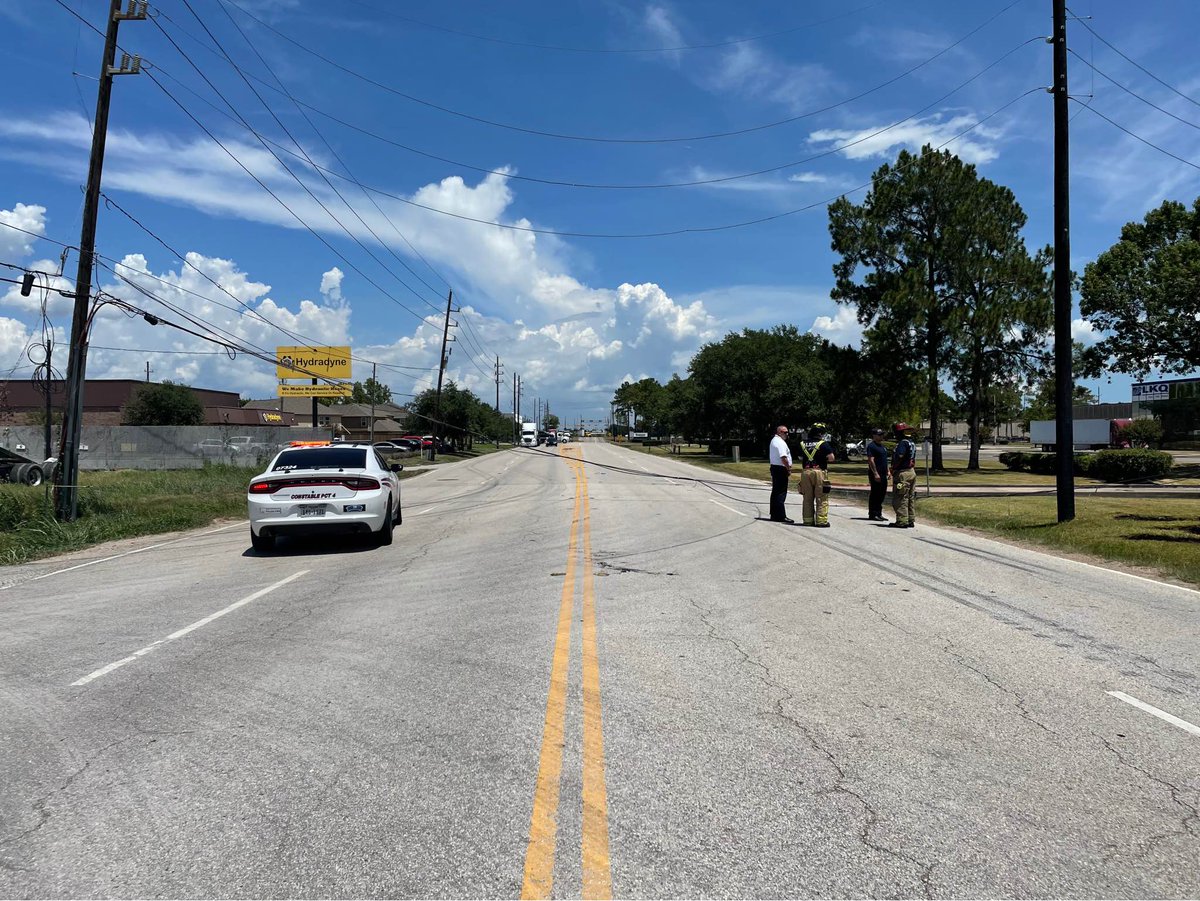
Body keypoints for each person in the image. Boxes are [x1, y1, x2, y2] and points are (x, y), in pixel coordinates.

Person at [797, 424, 835, 527]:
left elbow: (800, 457)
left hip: (806, 472)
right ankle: (821, 521)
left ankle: (808, 521)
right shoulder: (823, 444)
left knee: (807, 497)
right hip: (819, 472)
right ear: (820, 434)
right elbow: (831, 458)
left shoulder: (802, 443)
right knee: (821, 497)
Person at [889, 422, 917, 528]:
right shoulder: (911, 442)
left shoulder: (902, 443)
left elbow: (900, 456)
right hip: (911, 472)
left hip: (903, 474)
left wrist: (894, 468)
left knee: (900, 497)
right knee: (910, 497)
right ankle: (910, 519)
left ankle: (901, 521)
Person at [768, 425, 794, 523]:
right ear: (779, 432)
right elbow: (783, 458)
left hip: (775, 468)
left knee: (775, 492)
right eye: (784, 432)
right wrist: (788, 469)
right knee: (780, 493)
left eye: (787, 432)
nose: (787, 434)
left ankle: (774, 514)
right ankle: (780, 516)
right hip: (780, 469)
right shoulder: (779, 442)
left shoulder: (775, 441)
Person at [866, 427, 889, 521]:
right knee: (875, 493)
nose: (881, 436)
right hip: (876, 473)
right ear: (874, 436)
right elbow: (871, 460)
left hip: (883, 473)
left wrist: (888, 471)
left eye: (882, 434)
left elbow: (885, 460)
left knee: (882, 494)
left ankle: (879, 513)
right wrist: (875, 473)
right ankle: (873, 513)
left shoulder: (882, 447)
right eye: (879, 435)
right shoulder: (872, 446)